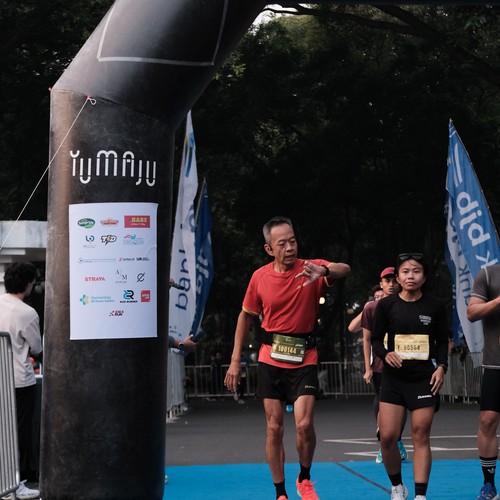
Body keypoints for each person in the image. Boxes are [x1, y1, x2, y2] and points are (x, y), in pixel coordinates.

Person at [224, 216, 350, 500]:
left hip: (304, 357)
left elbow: (344, 268)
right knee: (274, 427)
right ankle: (280, 493)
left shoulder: (311, 268)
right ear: (269, 249)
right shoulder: (259, 277)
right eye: (282, 244)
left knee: (304, 424)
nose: (290, 247)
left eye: (293, 241)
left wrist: (324, 270)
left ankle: (304, 478)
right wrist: (235, 360)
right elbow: (245, 316)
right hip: (271, 358)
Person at [371, 253, 448, 500]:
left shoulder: (435, 306)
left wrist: (442, 366)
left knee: (420, 435)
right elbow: (375, 340)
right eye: (405, 271)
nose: (410, 276)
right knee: (387, 437)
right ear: (398, 277)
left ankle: (420, 495)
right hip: (393, 381)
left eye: (416, 271)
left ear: (424, 277)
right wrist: (386, 354)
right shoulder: (386, 305)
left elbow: (442, 342)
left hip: (424, 380)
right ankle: (397, 487)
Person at [0, 262, 42, 500]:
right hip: (19, 380)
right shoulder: (27, 313)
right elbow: (36, 348)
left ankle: (5, 483)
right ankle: (15, 485)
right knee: (18, 433)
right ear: (27, 284)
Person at [361, 268, 407, 464]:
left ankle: (397, 439)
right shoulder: (371, 308)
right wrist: (367, 367)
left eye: (393, 280)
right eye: (386, 281)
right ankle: (384, 443)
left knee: (402, 404)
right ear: (381, 284)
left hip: (404, 362)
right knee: (382, 402)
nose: (391, 285)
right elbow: (366, 339)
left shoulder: (407, 304)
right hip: (380, 365)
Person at [467, 264, 500, 500]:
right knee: (487, 421)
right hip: (495, 364)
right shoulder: (489, 274)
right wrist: (498, 301)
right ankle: (489, 484)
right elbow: (472, 312)